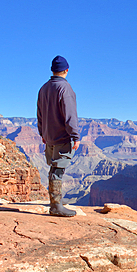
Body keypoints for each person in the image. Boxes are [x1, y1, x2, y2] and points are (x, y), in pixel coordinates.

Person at [37, 55, 80, 217]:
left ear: (53, 70)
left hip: (49, 136)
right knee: (58, 170)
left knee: (53, 168)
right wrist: (75, 135)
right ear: (66, 70)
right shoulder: (65, 88)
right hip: (62, 136)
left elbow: (39, 114)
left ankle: (57, 201)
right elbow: (70, 115)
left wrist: (42, 132)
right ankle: (55, 206)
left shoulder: (43, 88)